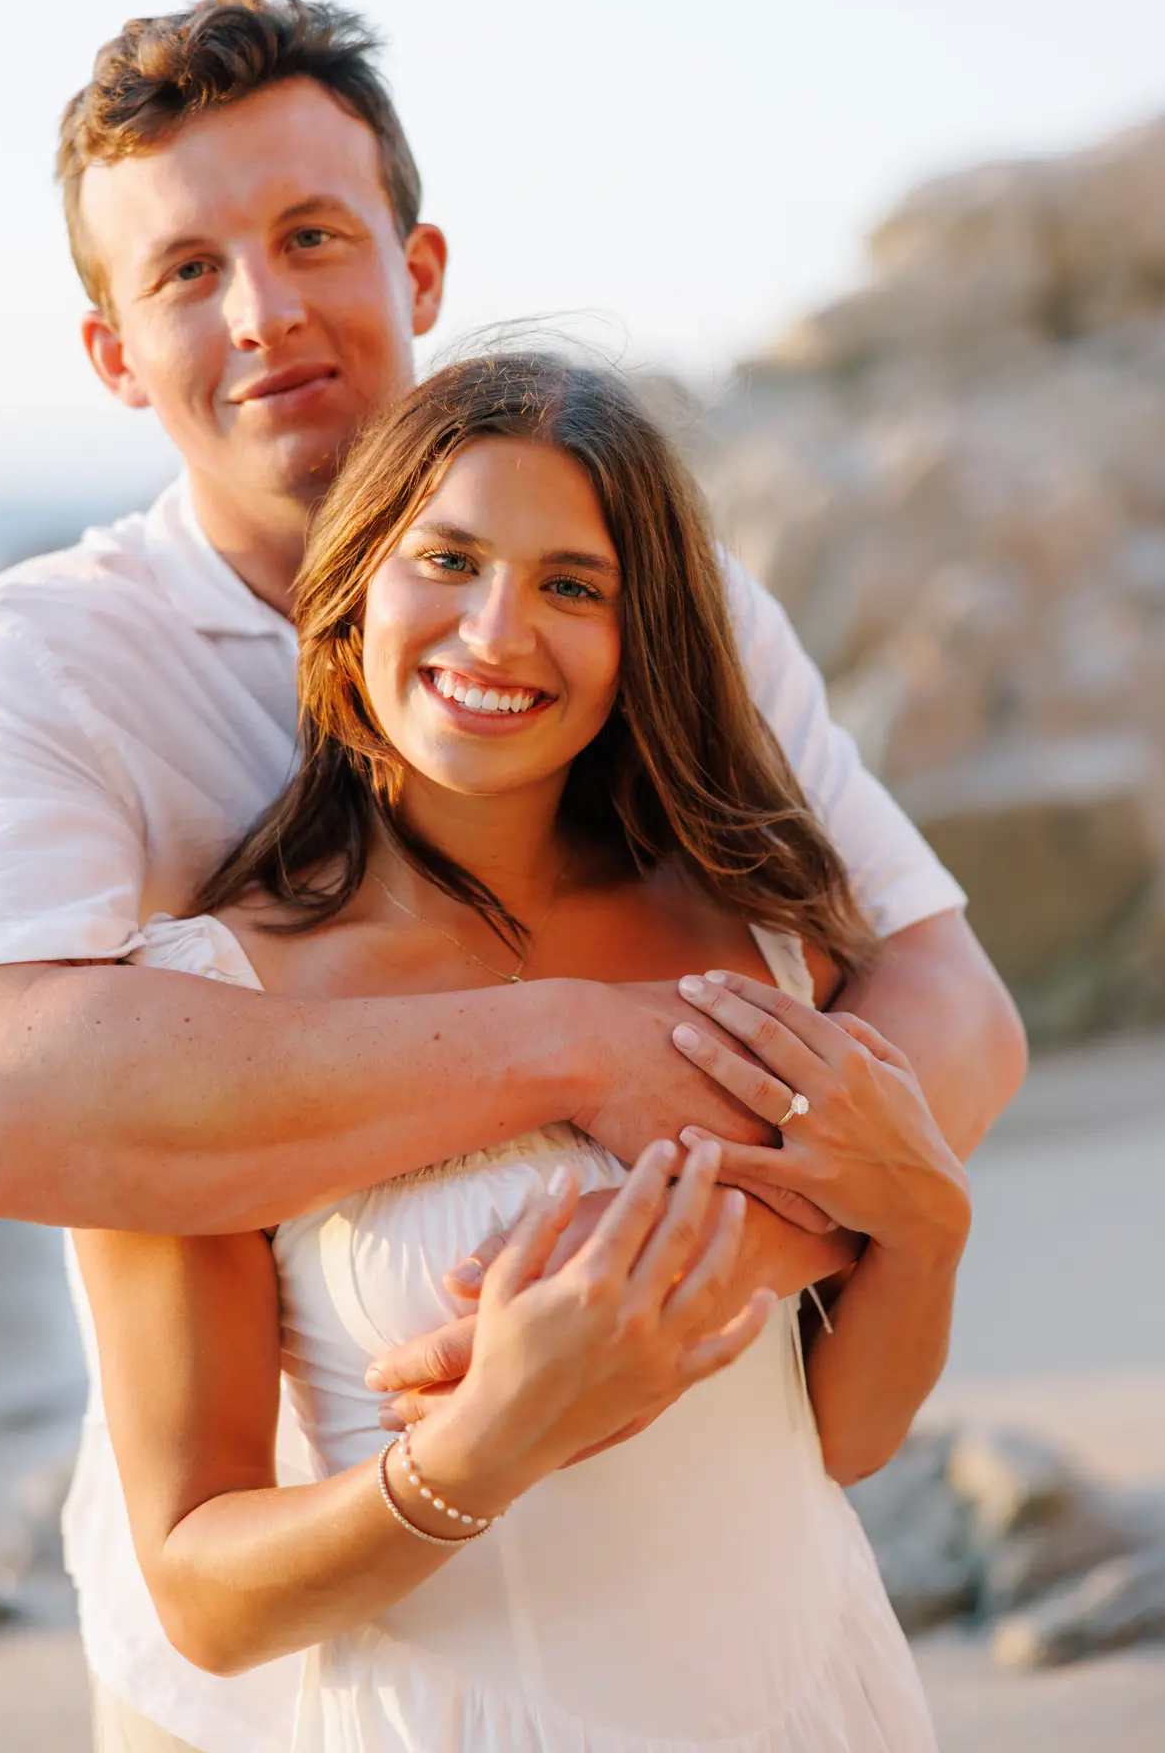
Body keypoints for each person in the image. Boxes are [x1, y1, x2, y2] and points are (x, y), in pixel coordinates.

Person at [0, 0, 1024, 1751]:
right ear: (115, 353)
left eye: (313, 233)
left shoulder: (681, 618)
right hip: (265, 1680)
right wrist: (581, 1050)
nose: (266, 310)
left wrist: (694, 1254)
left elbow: (944, 992)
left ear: (416, 270)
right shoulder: (45, 659)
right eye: (186, 270)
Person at [76, 350, 965, 1750]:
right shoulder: (208, 1006)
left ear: (640, 634)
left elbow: (838, 1442)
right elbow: (203, 1593)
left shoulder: (761, 935)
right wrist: (489, 1441)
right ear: (354, 577)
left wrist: (923, 1219)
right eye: (447, 559)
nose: (495, 634)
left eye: (572, 586)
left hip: (814, 1700)